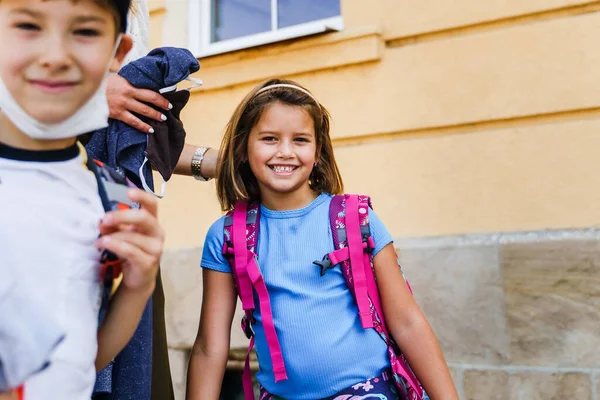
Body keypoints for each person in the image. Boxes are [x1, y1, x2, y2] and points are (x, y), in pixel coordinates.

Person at [186, 78, 459, 399]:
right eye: (270, 139)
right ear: (244, 148)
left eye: (300, 140)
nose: (285, 152)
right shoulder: (226, 236)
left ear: (318, 152)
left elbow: (408, 323)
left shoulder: (357, 220)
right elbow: (209, 348)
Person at [0, 1, 164, 399]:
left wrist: (137, 287)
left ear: (118, 52)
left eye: (85, 31)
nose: (55, 56)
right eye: (27, 25)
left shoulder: (115, 193)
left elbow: (80, 363)